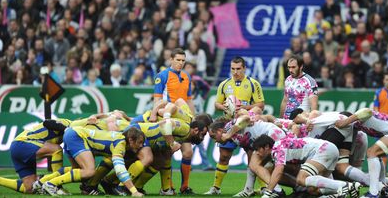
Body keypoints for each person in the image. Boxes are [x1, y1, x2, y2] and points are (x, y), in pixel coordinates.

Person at [205, 56, 265, 196]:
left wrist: (243, 106)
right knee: (224, 156)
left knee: (253, 157)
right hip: (228, 124)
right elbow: (217, 103)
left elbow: (260, 105)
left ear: (244, 68)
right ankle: (216, 188)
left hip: (247, 126)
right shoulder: (224, 84)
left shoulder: (253, 83)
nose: (235, 72)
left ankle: (262, 187)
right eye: (233, 69)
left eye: (238, 69)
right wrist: (225, 107)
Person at [41, 126, 145, 197]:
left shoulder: (120, 139)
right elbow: (120, 170)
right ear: (131, 140)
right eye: (140, 142)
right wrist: (134, 191)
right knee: (89, 171)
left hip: (73, 134)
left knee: (79, 171)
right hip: (77, 136)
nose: (141, 146)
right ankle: (51, 184)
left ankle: (41, 182)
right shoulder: (120, 144)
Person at [336, 108, 388, 198]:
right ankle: (384, 188)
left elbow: (367, 111)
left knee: (371, 152)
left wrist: (345, 122)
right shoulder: (355, 128)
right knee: (377, 154)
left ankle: (374, 193)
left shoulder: (357, 119)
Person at [252, 135, 361, 198]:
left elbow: (279, 170)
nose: (256, 153)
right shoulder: (281, 145)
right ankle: (349, 187)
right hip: (329, 149)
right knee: (313, 190)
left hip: (322, 150)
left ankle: (345, 186)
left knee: (301, 179)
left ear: (266, 147)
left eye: (258, 149)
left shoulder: (276, 148)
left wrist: (268, 192)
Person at [152, 48, 196, 195]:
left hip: (183, 119)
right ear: (171, 59)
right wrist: (159, 115)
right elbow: (157, 100)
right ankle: (167, 187)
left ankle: (185, 187)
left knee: (188, 152)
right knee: (168, 153)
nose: (180, 63)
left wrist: (193, 118)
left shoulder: (186, 76)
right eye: (178, 60)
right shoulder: (162, 76)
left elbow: (189, 100)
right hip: (168, 118)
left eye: (183, 60)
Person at [280, 55, 318, 119]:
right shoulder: (288, 79)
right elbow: (285, 101)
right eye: (289, 67)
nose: (290, 70)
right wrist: (281, 119)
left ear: (301, 66)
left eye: (293, 67)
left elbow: (314, 105)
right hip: (286, 121)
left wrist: (309, 121)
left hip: (300, 120)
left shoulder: (310, 81)